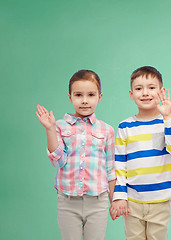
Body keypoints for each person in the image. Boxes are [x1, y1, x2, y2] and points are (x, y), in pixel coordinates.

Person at [35, 70, 116, 240]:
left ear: (99, 97)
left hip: (98, 202)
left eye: (91, 95)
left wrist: (114, 201)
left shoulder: (106, 130)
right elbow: (58, 162)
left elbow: (110, 170)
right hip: (68, 201)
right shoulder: (59, 126)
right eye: (78, 95)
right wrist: (50, 130)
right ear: (70, 97)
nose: (85, 100)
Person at [110, 66, 171, 240]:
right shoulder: (125, 127)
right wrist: (119, 196)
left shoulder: (169, 122)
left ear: (161, 91)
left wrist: (167, 118)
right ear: (131, 94)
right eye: (139, 88)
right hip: (132, 200)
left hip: (160, 199)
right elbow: (119, 163)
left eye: (151, 88)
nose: (145, 93)